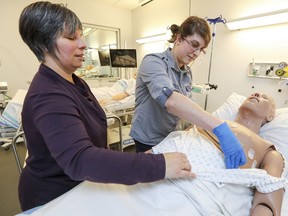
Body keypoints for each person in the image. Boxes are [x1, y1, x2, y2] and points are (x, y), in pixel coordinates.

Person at [18, 1, 195, 211]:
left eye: (81, 35)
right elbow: (81, 158)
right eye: (71, 37)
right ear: (44, 43)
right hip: (54, 198)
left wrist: (136, 160)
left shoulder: (74, 81)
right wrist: (159, 166)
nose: (83, 44)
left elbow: (91, 143)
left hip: (82, 185)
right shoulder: (48, 94)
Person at [129, 16, 247, 169]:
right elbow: (171, 101)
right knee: (148, 180)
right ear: (178, 38)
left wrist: (193, 134)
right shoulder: (153, 62)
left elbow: (186, 108)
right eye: (194, 45)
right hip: (148, 138)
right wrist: (220, 128)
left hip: (171, 137)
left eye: (201, 50)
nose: (196, 53)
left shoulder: (186, 73)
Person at [153, 92, 286, 216]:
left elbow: (268, 199)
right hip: (160, 168)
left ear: (270, 116)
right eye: (254, 93)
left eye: (264, 97)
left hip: (201, 189)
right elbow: (175, 140)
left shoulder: (269, 150)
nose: (256, 94)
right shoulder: (207, 122)